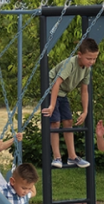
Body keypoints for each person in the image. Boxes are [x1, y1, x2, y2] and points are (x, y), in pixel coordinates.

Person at [41, 38, 99, 169]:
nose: (91, 62)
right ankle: (57, 157)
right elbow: (56, 83)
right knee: (55, 122)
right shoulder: (70, 64)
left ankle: (72, 157)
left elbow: (84, 91)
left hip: (62, 93)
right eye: (89, 58)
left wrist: (85, 111)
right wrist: (51, 106)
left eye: (94, 59)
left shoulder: (87, 69)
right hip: (50, 90)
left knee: (68, 122)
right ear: (79, 55)